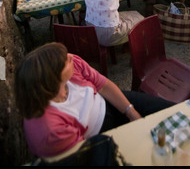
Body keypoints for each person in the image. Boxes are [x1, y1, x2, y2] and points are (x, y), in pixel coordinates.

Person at [15, 42, 174, 159]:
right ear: (52, 79)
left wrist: (131, 113)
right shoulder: (49, 130)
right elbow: (87, 156)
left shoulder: (73, 65)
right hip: (97, 136)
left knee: (171, 113)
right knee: (147, 153)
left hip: (108, 102)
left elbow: (103, 86)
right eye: (64, 61)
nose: (70, 56)